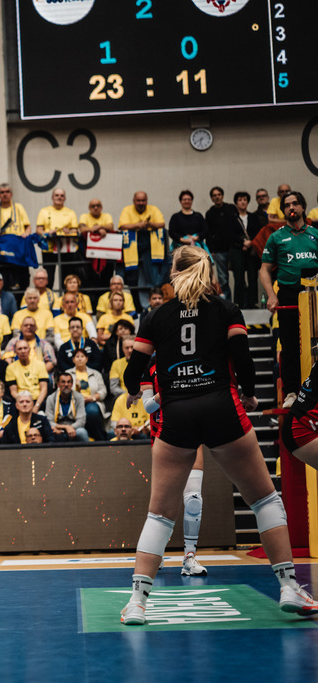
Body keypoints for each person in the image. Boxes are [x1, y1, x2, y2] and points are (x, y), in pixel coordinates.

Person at [119, 245, 317, 625]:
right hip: (221, 409)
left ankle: (137, 602)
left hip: (176, 414)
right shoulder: (226, 309)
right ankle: (290, 586)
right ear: (209, 273)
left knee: (159, 514)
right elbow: (244, 362)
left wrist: (146, 392)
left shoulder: (156, 316)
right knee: (264, 499)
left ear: (173, 274)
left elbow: (132, 375)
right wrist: (249, 394)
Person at [260, 190, 317, 406]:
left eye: (295, 204)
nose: (291, 208)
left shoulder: (315, 234)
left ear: (303, 207)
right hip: (288, 295)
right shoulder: (276, 237)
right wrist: (271, 295)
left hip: (315, 296)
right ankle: (291, 392)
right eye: (286, 205)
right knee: (289, 345)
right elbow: (264, 270)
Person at [119, 191, 166, 310]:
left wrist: (149, 224)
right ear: (133, 201)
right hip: (131, 248)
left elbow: (162, 224)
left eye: (143, 200)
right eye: (138, 200)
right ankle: (137, 307)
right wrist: (138, 225)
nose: (141, 203)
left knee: (153, 277)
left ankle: (153, 304)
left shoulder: (153, 209)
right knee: (132, 279)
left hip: (150, 248)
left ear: (147, 201)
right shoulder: (126, 210)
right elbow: (122, 226)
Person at [44, 372, 88, 442]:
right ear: (58, 385)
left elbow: (81, 421)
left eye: (68, 382)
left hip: (74, 428)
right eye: (63, 382)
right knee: (49, 432)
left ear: (72, 384)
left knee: (82, 432)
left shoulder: (79, 397)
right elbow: (49, 421)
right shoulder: (51, 398)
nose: (66, 385)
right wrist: (65, 427)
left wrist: (71, 428)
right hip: (57, 428)